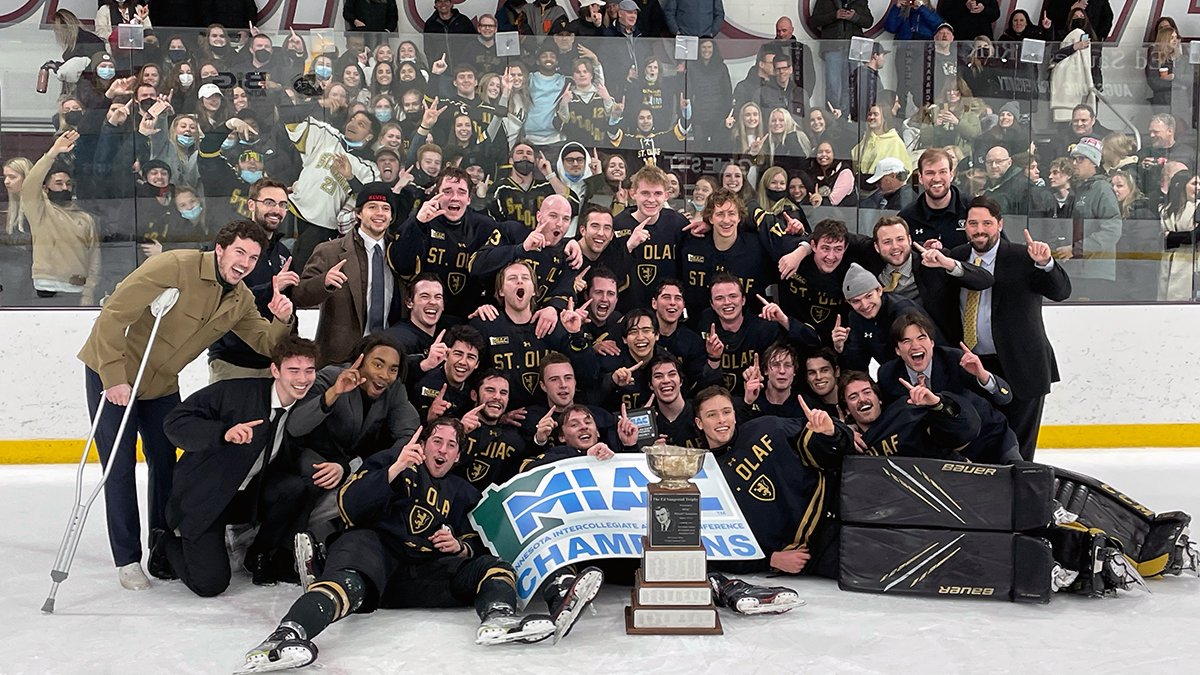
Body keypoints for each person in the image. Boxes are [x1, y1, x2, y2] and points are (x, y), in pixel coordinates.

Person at [236, 419, 603, 673]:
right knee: (347, 582)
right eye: (436, 442)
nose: (442, 450)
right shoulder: (391, 462)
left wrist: (459, 547)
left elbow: (475, 538)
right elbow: (350, 506)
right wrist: (393, 471)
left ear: (458, 455)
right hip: (376, 555)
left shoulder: (463, 491)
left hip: (424, 573)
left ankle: (498, 618)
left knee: (494, 566)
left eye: (451, 445)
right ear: (423, 444)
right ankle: (286, 636)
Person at [77, 219, 295, 590]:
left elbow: (265, 342)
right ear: (221, 248)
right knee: (119, 464)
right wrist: (113, 377)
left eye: (254, 257)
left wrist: (281, 318)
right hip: (115, 376)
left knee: (167, 465)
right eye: (239, 251)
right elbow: (113, 315)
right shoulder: (173, 266)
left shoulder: (239, 298)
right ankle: (127, 558)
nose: (244, 262)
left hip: (161, 386)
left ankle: (160, 548)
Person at [155, 337, 320, 596]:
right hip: (205, 498)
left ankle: (260, 555)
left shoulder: (304, 406)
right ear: (275, 370)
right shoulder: (233, 393)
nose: (303, 378)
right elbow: (175, 421)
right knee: (210, 584)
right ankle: (166, 543)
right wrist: (223, 433)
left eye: (309, 370)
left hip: (245, 497)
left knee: (295, 487)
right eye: (294, 370)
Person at [946, 196, 1071, 460]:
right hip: (974, 367)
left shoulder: (1021, 256)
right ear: (965, 226)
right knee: (981, 445)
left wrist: (1045, 263)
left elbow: (1061, 291)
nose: (980, 229)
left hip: (1022, 367)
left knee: (1019, 449)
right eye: (973, 223)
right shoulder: (956, 258)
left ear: (1000, 224)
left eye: (987, 223)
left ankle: (1022, 497)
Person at [695, 386, 853, 578]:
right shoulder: (707, 477)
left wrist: (831, 432)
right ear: (699, 423)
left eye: (726, 412)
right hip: (805, 559)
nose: (721, 420)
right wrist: (770, 560)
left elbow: (833, 445)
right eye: (712, 415)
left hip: (837, 519)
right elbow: (717, 549)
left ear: (735, 415)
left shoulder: (768, 427)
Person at [293, 183, 404, 367]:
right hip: (340, 359)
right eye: (372, 207)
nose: (379, 213)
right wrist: (324, 283)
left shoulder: (399, 252)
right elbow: (299, 295)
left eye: (386, 208)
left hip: (386, 356)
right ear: (358, 213)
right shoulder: (329, 251)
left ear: (391, 216)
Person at [207, 179, 295, 381]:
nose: (277, 210)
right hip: (233, 362)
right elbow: (219, 296)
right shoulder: (229, 243)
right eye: (270, 202)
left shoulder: (282, 252)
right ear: (251, 204)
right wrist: (271, 288)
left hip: (272, 362)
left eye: (283, 205)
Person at [21, 130, 100, 306]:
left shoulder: (85, 218)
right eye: (58, 183)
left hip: (78, 290)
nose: (65, 187)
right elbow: (29, 185)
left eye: (68, 184)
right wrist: (52, 153)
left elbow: (94, 258)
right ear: (45, 188)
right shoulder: (40, 210)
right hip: (45, 290)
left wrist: (89, 291)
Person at [1059, 137, 1121, 300]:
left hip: (1095, 274)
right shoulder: (1079, 190)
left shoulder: (1102, 189)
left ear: (1094, 162)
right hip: (1077, 270)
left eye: (1081, 159)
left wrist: (1075, 249)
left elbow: (1112, 230)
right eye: (1073, 159)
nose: (1074, 163)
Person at [897, 147, 971, 248]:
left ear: (951, 175)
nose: (936, 179)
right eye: (929, 173)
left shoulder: (972, 209)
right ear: (920, 178)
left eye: (942, 172)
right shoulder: (907, 217)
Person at [810, 0, 873, 115]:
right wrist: (835, 15)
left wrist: (855, 17)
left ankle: (844, 120)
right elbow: (814, 21)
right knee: (833, 87)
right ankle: (831, 120)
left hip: (853, 49)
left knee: (850, 87)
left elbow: (869, 21)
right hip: (833, 48)